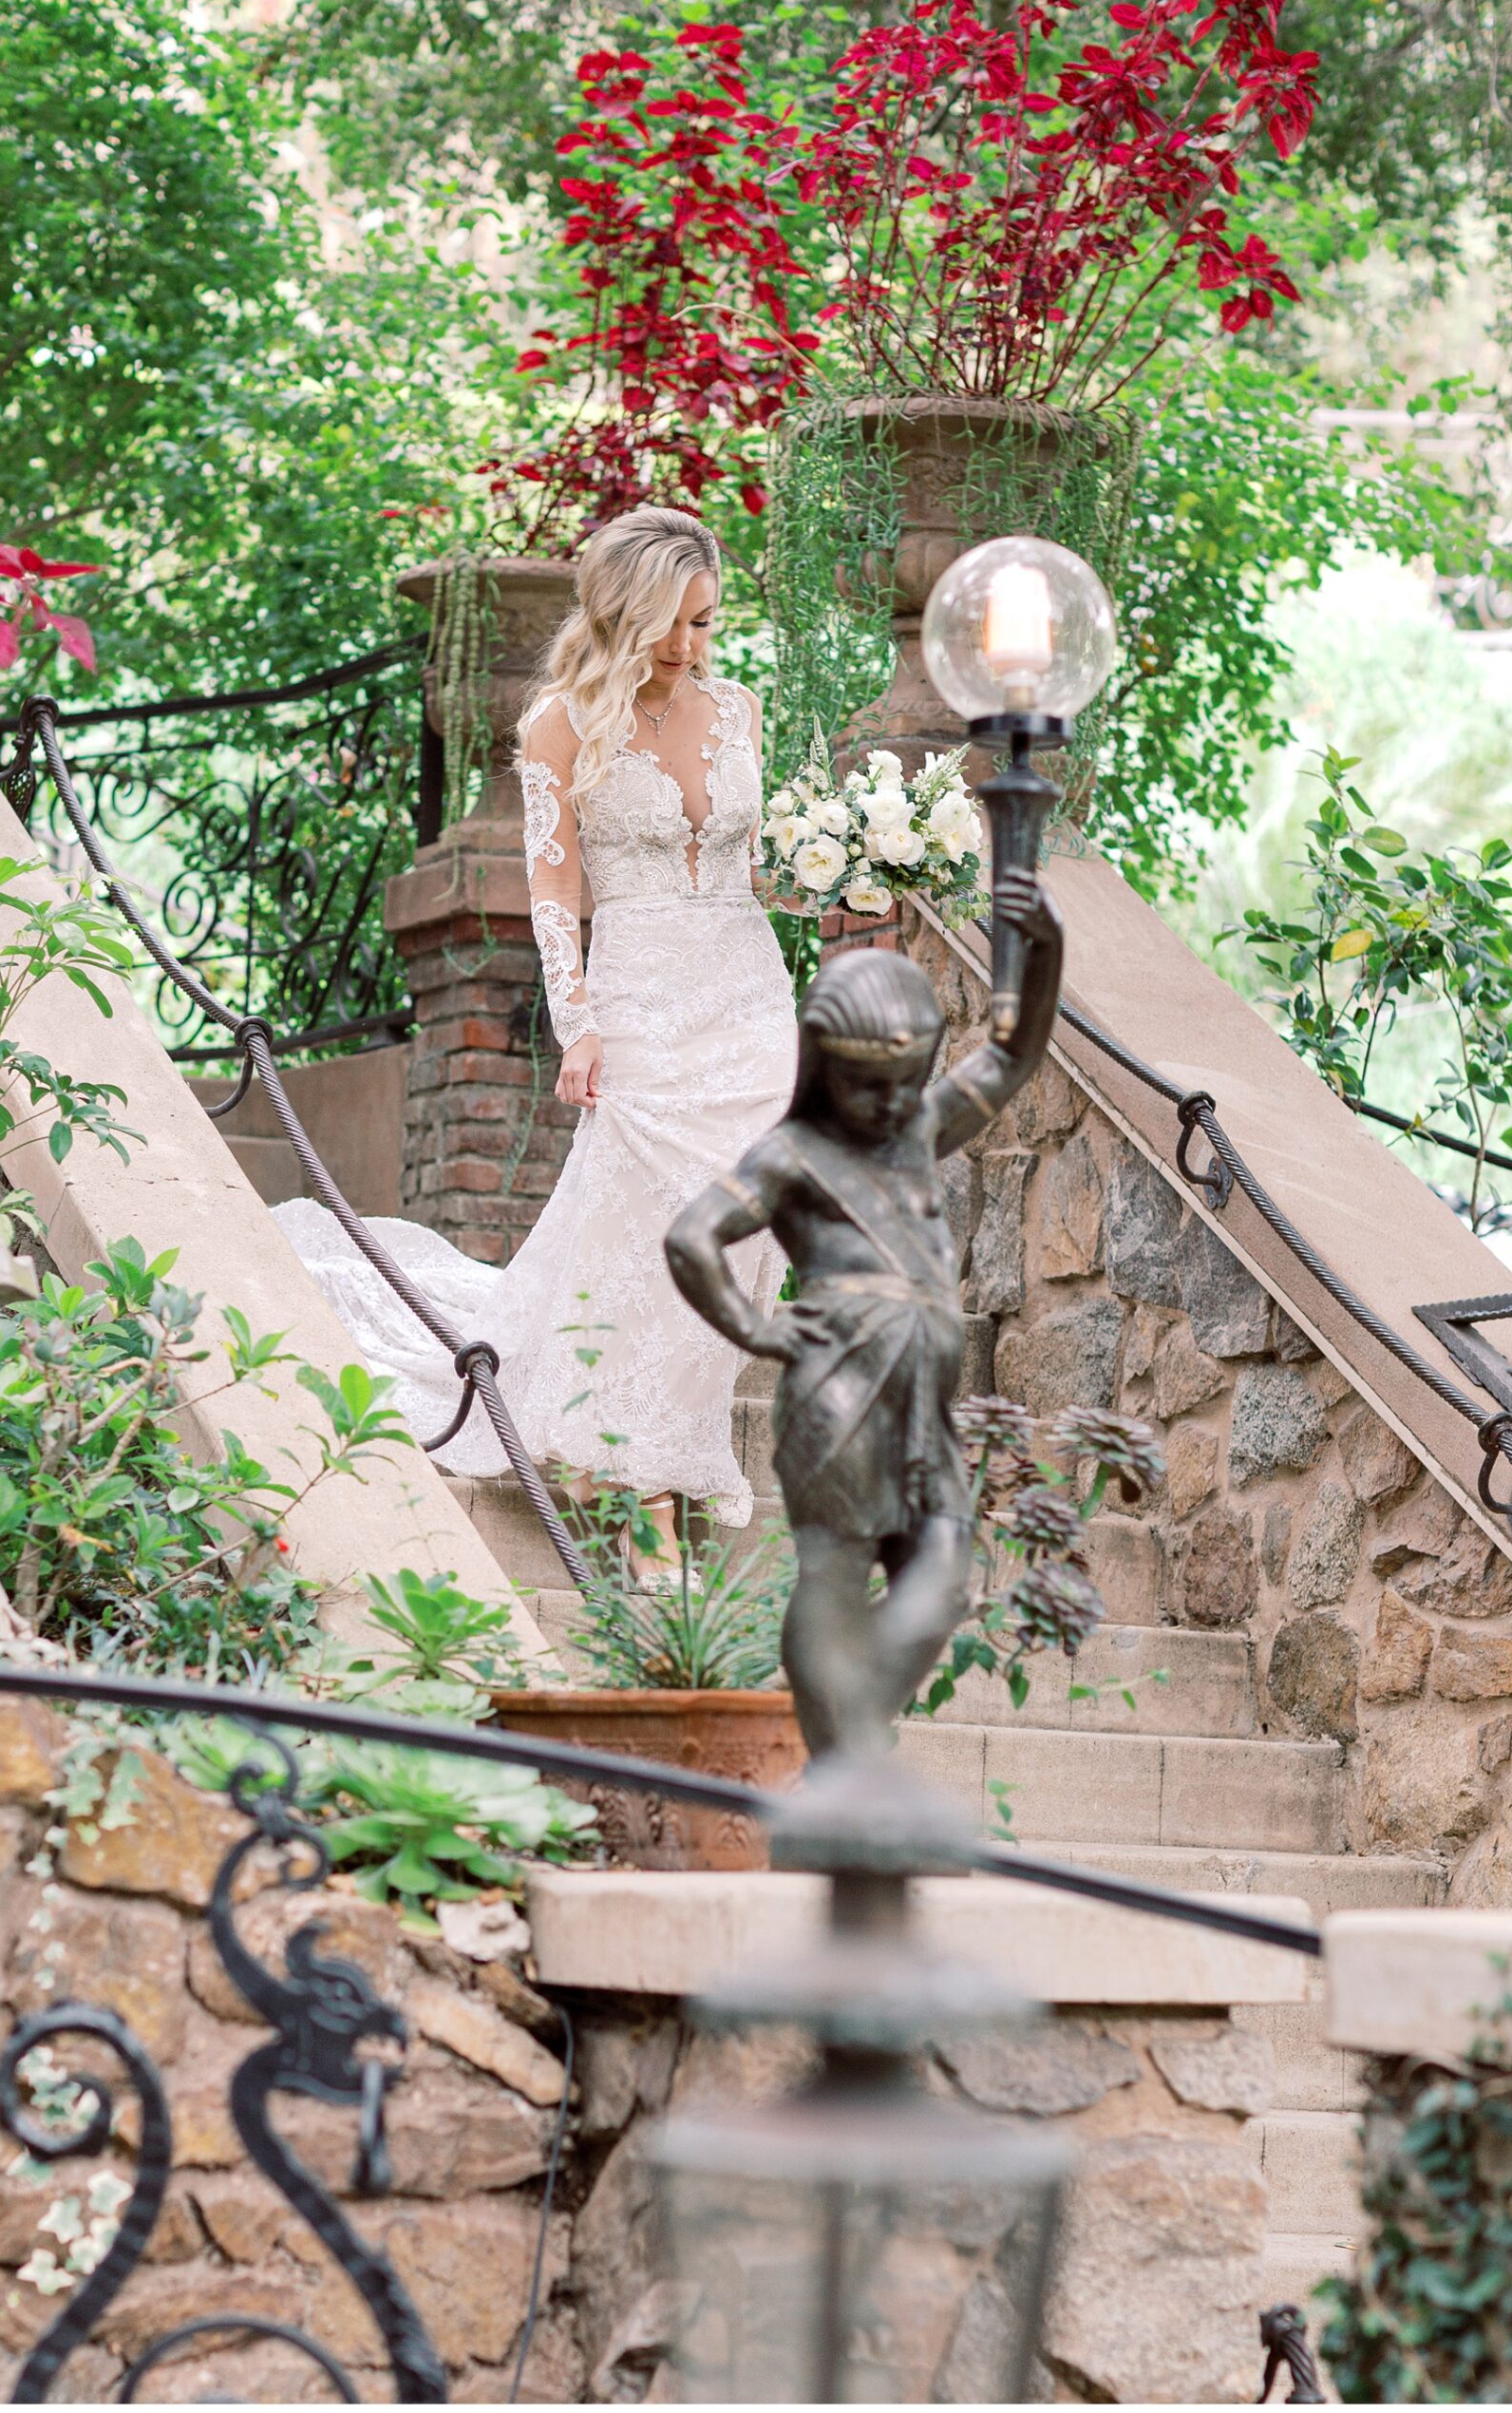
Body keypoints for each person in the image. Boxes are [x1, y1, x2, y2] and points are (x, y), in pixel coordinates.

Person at [277, 507, 799, 1582]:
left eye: (704, 623)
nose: (688, 646)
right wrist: (579, 1023)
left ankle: (661, 1441)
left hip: (749, 1000)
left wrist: (845, 870)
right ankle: (642, 1491)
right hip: (642, 1001)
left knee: (744, 1238)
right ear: (619, 615)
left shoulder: (740, 709)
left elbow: (755, 865)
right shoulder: (559, 724)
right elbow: (554, 888)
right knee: (645, 1237)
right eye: (668, 624)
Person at [664, 900, 1063, 1758]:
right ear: (821, 1069)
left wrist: (1044, 947)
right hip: (836, 1383)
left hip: (923, 1399)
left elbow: (1009, 1054)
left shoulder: (917, 1129)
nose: (890, 1103)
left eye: (905, 1082)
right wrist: (757, 1331)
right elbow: (691, 1238)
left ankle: (847, 1737)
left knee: (944, 1573)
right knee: (836, 1574)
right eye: (866, 1085)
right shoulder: (791, 1154)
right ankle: (845, 1758)